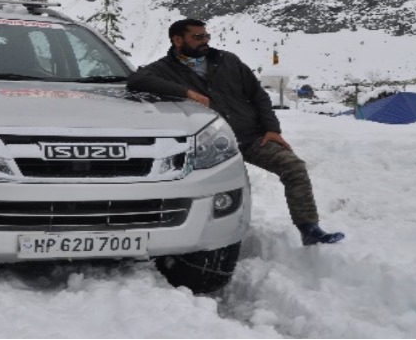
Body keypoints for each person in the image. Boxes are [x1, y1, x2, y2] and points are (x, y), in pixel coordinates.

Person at [127, 18, 344, 246]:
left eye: (206, 36)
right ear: (177, 40)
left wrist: (272, 129)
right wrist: (186, 92)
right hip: (212, 144)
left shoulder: (227, 61)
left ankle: (309, 228)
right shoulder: (164, 69)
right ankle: (201, 238)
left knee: (294, 167)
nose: (205, 41)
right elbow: (137, 80)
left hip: (250, 137)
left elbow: (258, 95)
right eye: (197, 37)